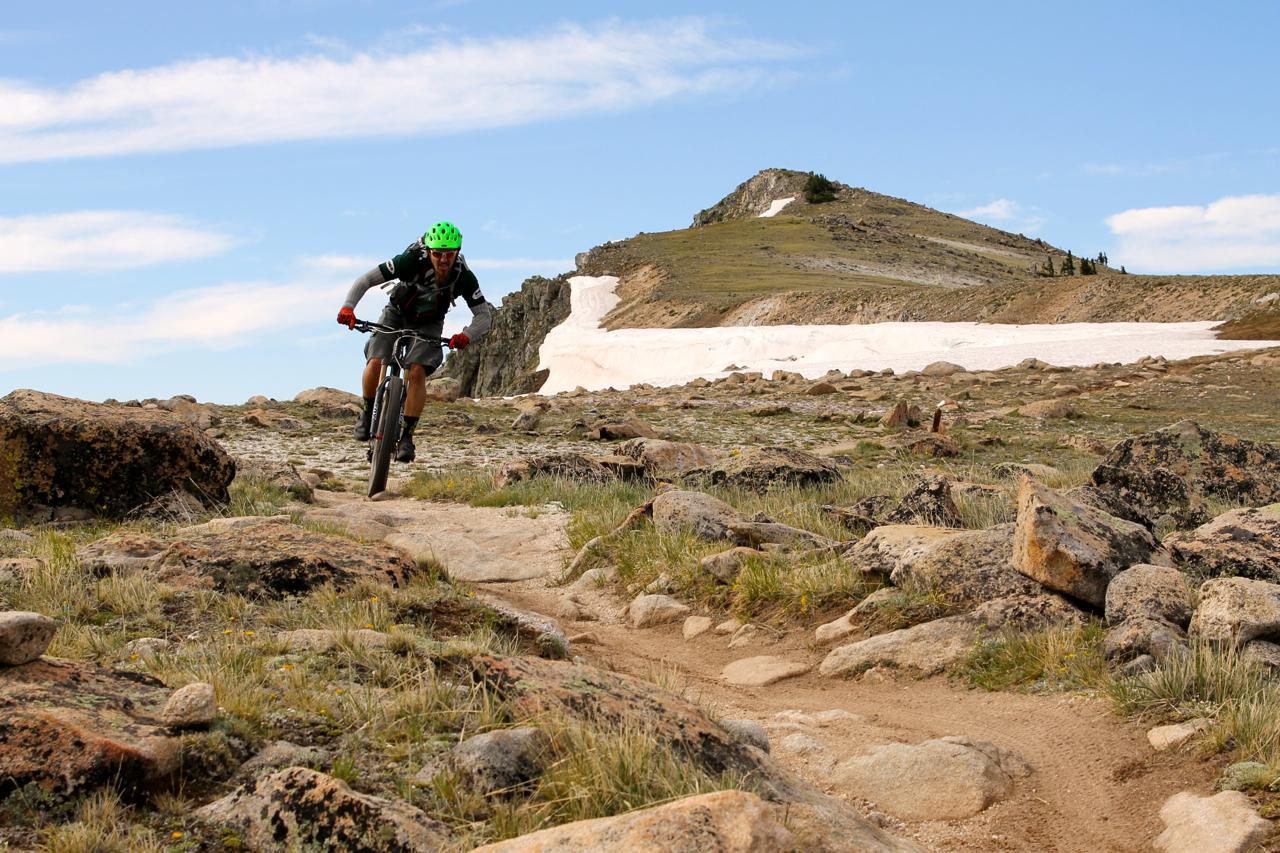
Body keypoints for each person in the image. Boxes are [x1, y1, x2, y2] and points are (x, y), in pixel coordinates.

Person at [337, 221, 492, 463]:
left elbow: (483, 316)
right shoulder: (409, 260)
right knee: (377, 360)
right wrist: (348, 307)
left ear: (457, 253)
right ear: (428, 251)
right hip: (397, 312)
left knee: (417, 371)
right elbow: (366, 280)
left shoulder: (464, 277)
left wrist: (466, 335)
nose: (443, 260)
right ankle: (367, 414)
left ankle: (407, 437)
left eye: (449, 254)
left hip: (430, 322)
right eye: (438, 253)